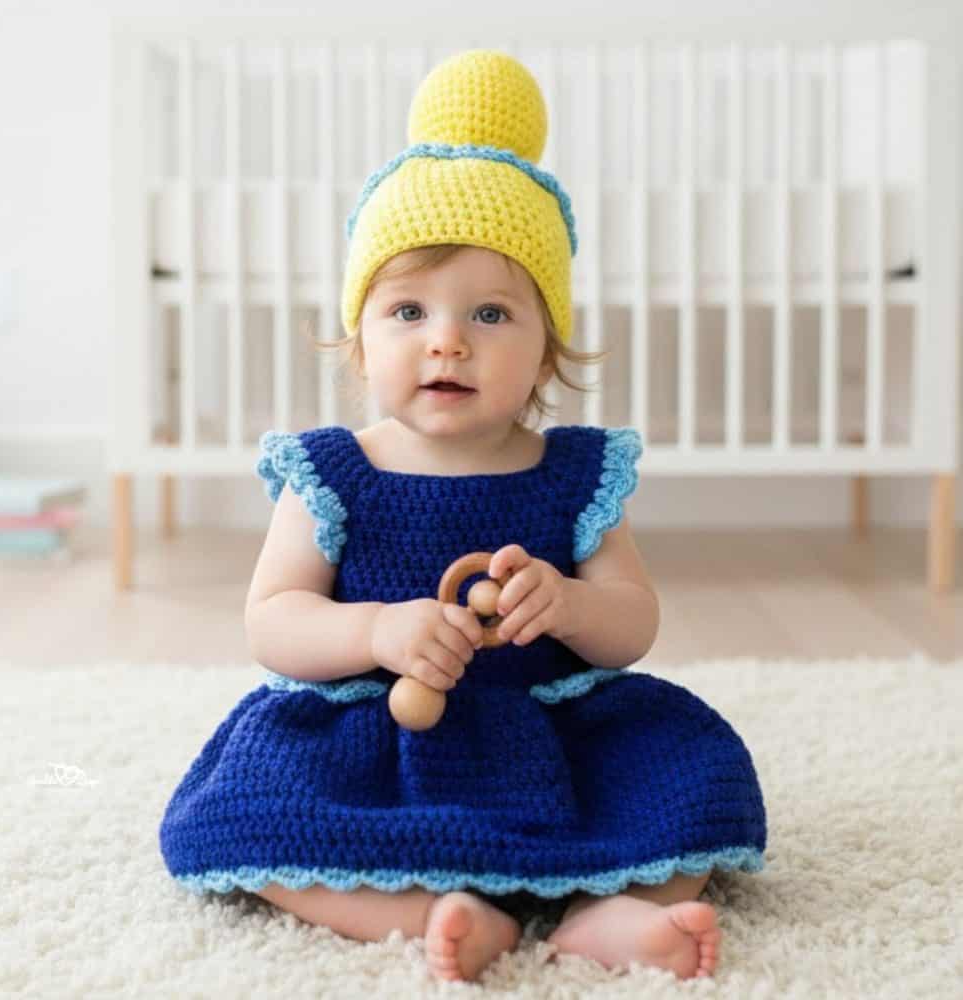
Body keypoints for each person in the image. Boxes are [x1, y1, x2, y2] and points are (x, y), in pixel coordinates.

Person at [159, 48, 766, 984]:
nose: (446, 338)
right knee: (248, 809)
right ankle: (436, 916)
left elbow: (633, 623)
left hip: (551, 731)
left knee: (697, 780)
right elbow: (273, 620)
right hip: (379, 729)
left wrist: (565, 603)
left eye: (489, 313)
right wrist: (379, 628)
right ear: (359, 338)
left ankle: (603, 915)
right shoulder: (330, 472)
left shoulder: (573, 473)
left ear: (545, 347)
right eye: (408, 309)